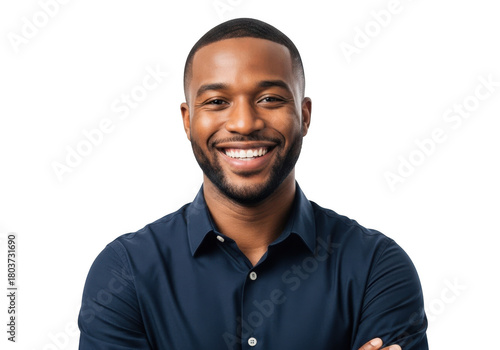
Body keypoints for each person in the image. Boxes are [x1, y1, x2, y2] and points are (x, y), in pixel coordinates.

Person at [78, 18, 428, 350]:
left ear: (304, 116)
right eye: (217, 102)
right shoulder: (124, 272)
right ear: (188, 121)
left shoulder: (376, 268)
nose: (244, 124)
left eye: (270, 99)